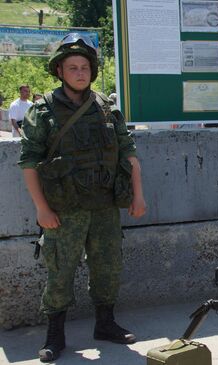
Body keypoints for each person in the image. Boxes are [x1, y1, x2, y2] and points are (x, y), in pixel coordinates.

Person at [18, 33, 147, 362]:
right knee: (60, 271)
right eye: (72, 67)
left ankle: (105, 323)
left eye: (85, 67)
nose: (80, 73)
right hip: (65, 209)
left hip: (104, 205)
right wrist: (41, 209)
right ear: (59, 71)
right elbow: (30, 162)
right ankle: (55, 334)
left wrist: (138, 195)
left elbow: (128, 154)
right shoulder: (43, 110)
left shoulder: (106, 107)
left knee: (108, 267)